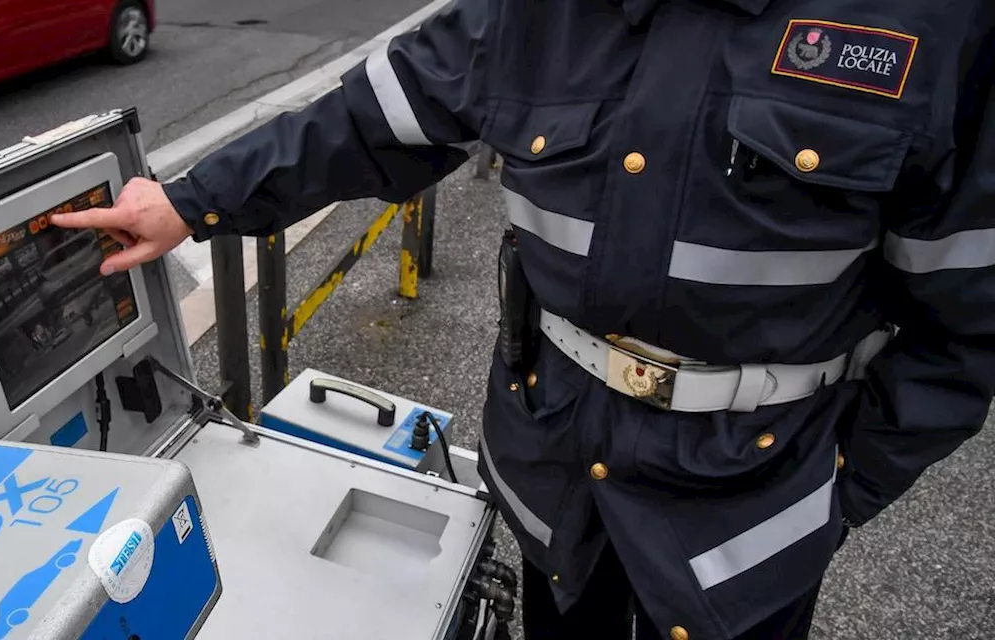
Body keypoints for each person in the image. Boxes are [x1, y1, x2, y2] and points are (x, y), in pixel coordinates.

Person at [51, 1, 995, 638]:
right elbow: (365, 123)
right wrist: (190, 200)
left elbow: (966, 327)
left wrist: (838, 491)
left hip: (749, 519)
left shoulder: (935, 27)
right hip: (556, 491)